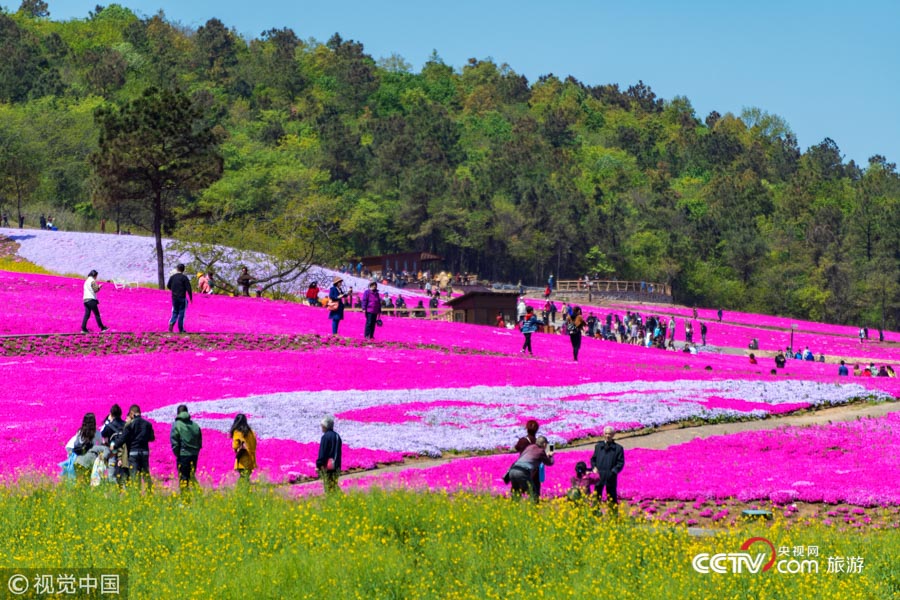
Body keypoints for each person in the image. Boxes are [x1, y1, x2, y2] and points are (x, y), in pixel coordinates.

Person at [113, 405, 155, 491]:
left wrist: (114, 445)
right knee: (146, 474)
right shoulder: (148, 424)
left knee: (135, 476)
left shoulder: (129, 425)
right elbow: (152, 438)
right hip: (144, 452)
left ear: (132, 413)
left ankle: (137, 495)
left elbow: (123, 438)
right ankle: (149, 493)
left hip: (133, 453)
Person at [504, 435, 554, 502]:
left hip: (512, 470)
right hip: (522, 472)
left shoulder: (529, 447)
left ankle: (513, 509)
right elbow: (549, 463)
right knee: (533, 494)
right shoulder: (541, 451)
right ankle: (534, 510)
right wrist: (550, 455)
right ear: (544, 444)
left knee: (516, 494)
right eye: (546, 445)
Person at [591, 426, 625, 513]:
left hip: (611, 477)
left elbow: (620, 463)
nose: (607, 435)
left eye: (609, 434)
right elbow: (593, 459)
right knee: (596, 496)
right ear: (603, 434)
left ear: (613, 435)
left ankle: (613, 516)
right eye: (606, 433)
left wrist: (613, 472)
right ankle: (595, 514)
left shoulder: (618, 448)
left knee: (612, 497)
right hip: (599, 476)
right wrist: (594, 467)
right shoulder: (598, 447)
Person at [66, 413, 107, 484]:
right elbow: (100, 446)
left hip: (78, 460)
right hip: (90, 461)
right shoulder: (97, 433)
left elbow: (74, 444)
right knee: (88, 482)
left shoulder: (79, 432)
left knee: (79, 482)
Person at [170, 404, 202, 491]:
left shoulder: (177, 425)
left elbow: (174, 442)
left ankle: (185, 500)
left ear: (178, 413)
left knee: (183, 478)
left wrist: (178, 454)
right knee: (191, 476)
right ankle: (199, 495)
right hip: (194, 455)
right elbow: (199, 441)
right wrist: (195, 451)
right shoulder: (195, 425)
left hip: (183, 454)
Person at [100, 404, 127, 485]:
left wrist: (108, 422)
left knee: (112, 475)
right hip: (124, 452)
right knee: (124, 476)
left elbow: (103, 435)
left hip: (113, 453)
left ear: (110, 414)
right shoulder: (126, 424)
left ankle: (115, 494)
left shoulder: (109, 426)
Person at [316, 415, 342, 495]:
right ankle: (340, 499)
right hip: (337, 465)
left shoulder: (325, 437)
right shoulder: (337, 436)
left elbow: (323, 452)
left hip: (328, 467)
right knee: (334, 485)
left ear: (325, 426)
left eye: (322, 426)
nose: (321, 427)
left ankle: (335, 501)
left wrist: (319, 464)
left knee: (329, 487)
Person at [230, 414, 257, 488]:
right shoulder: (251, 432)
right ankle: (246, 494)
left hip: (243, 460)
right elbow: (254, 444)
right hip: (251, 460)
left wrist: (236, 449)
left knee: (243, 479)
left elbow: (235, 446)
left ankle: (240, 494)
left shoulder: (238, 432)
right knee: (246, 478)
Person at [166, 263, 193, 334]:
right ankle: (181, 329)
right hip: (182, 298)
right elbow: (189, 288)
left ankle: (171, 322)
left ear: (177, 269)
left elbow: (168, 286)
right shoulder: (184, 278)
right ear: (183, 270)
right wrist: (190, 298)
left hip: (174, 298)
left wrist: (174, 289)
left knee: (175, 311)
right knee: (182, 313)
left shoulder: (172, 277)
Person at [81, 269, 109, 333]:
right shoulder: (92, 281)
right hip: (91, 299)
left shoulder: (86, 281)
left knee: (87, 315)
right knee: (97, 314)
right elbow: (95, 290)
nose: (96, 277)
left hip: (85, 300)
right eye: (96, 276)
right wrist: (99, 286)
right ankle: (102, 328)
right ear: (94, 275)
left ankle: (83, 328)